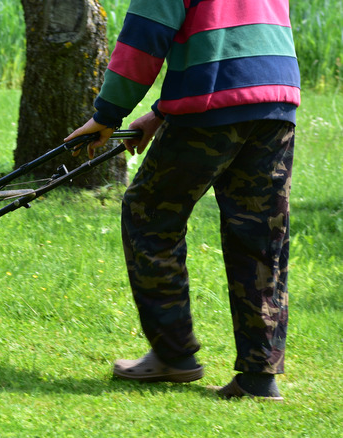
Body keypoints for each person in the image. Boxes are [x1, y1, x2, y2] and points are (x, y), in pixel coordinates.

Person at [65, 0, 300, 400]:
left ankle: (173, 354)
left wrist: (107, 114)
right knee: (261, 237)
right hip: (276, 100)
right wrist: (159, 113)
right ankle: (259, 377)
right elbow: (235, 37)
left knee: (149, 213)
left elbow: (143, 41)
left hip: (213, 103)